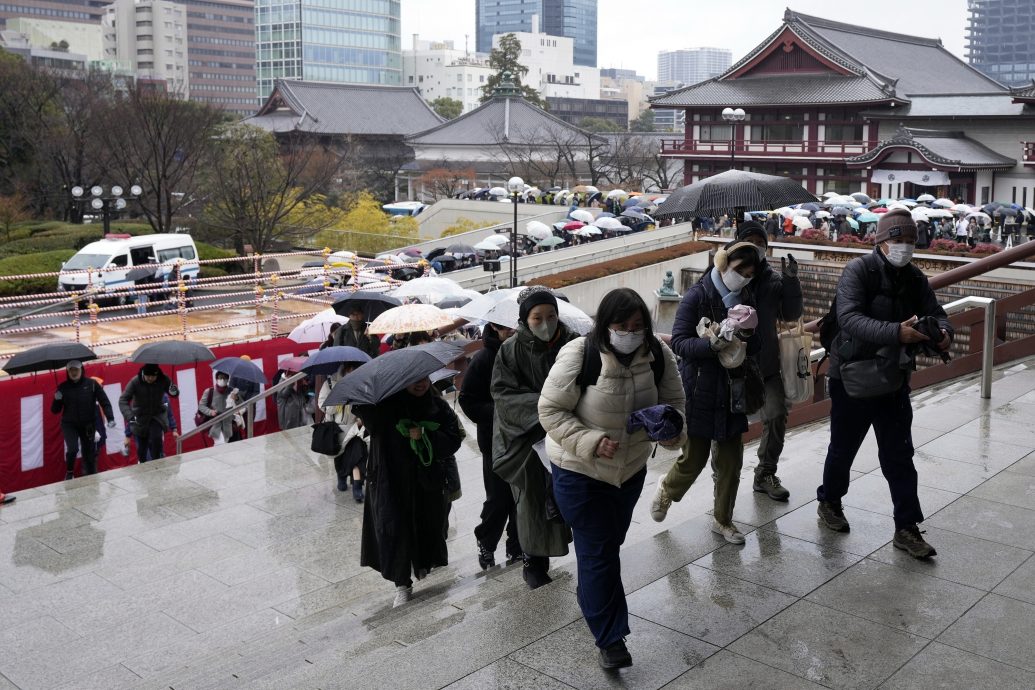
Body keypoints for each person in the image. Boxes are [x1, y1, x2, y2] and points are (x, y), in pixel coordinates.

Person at [539, 288, 686, 670]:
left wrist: (673, 432)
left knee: (607, 546)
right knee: (599, 550)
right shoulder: (579, 355)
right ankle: (610, 639)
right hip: (579, 471)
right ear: (606, 325)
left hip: (630, 470)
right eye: (622, 326)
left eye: (638, 326)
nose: (630, 332)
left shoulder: (659, 355)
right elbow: (550, 411)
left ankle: (590, 594)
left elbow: (677, 406)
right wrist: (590, 441)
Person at [817, 209, 952, 559]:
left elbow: (937, 313)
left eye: (910, 241)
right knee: (843, 449)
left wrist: (944, 334)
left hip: (893, 379)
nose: (905, 248)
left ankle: (906, 527)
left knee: (899, 455)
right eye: (898, 240)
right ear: (880, 242)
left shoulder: (915, 278)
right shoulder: (857, 271)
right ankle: (829, 501)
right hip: (852, 377)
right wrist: (897, 332)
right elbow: (848, 318)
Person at [650, 241, 761, 544]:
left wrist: (749, 335)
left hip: (732, 390)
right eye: (740, 271)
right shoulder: (697, 296)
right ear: (722, 263)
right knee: (694, 458)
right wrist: (712, 344)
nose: (744, 278)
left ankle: (723, 520)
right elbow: (680, 343)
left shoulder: (748, 299)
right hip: (699, 389)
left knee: (730, 462)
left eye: (750, 274)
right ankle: (667, 490)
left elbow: (759, 346)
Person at [491, 286, 576, 588]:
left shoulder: (573, 344)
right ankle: (533, 561)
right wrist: (546, 404)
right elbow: (502, 394)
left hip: (568, 432)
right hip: (527, 439)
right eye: (537, 317)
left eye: (551, 316)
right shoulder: (510, 350)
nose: (545, 323)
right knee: (531, 502)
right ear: (525, 319)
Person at [354, 377, 464, 607]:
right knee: (395, 530)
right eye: (413, 380)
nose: (420, 384)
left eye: (423, 379)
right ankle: (402, 584)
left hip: (426, 481)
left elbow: (453, 438)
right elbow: (372, 425)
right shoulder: (385, 406)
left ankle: (422, 563)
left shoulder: (436, 405)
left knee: (426, 526)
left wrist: (425, 434)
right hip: (391, 481)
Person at [735, 223, 803, 501]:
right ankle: (722, 476)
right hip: (733, 366)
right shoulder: (724, 276)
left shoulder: (774, 280)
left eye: (759, 242)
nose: (755, 247)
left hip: (767, 364)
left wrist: (791, 282)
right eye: (748, 241)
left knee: (776, 414)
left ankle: (765, 472)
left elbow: (790, 315)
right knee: (728, 425)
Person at [459, 321, 521, 570]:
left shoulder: (524, 352)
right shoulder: (484, 359)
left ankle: (517, 547)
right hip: (495, 441)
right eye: (504, 327)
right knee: (498, 499)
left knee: (522, 497)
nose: (510, 330)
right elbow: (467, 400)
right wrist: (498, 412)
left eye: (513, 326)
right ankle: (486, 541)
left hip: (523, 437)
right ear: (494, 327)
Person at [52, 361, 115, 479]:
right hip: (69, 424)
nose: (74, 373)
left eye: (76, 370)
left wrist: (110, 417)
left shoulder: (92, 384)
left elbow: (104, 401)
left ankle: (91, 478)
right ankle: (70, 472)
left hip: (88, 424)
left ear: (81, 370)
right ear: (68, 372)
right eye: (71, 371)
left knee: (89, 454)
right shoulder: (62, 388)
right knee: (73, 449)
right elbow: (55, 410)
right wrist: (57, 399)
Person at [318, 362, 366, 501]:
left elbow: (363, 406)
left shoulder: (359, 385)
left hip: (353, 428)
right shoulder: (330, 384)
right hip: (336, 428)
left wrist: (360, 418)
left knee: (357, 455)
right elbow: (323, 406)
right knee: (339, 457)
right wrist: (339, 398)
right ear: (344, 370)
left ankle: (357, 486)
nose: (352, 373)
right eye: (350, 370)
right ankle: (341, 476)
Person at [119, 363, 179, 463]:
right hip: (140, 418)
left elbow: (172, 403)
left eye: (153, 376)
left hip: (157, 417)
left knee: (156, 440)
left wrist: (174, 389)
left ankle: (158, 461)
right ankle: (143, 462)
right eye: (148, 376)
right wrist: (128, 428)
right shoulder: (135, 382)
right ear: (143, 374)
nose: (150, 378)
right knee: (142, 451)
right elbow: (123, 400)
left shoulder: (164, 379)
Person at [197, 372, 242, 444]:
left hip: (230, 424)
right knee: (220, 444)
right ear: (216, 379)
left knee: (229, 446)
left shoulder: (232, 391)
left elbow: (243, 405)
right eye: (220, 377)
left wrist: (237, 399)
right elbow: (201, 406)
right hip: (215, 424)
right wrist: (210, 412)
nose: (222, 380)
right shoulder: (209, 391)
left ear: (228, 380)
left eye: (225, 378)